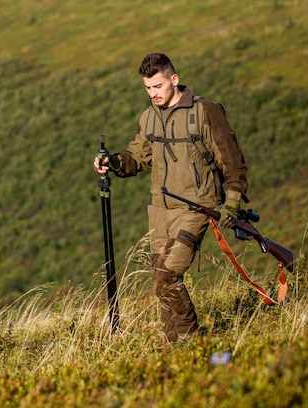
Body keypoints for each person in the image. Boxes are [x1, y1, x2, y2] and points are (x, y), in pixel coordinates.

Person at [94, 53, 248, 343]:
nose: (153, 94)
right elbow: (136, 158)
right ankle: (173, 346)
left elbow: (232, 160)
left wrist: (232, 202)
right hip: (160, 212)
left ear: (174, 80)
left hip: (196, 208)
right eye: (148, 88)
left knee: (167, 276)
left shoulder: (204, 112)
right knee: (161, 284)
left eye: (159, 86)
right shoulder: (149, 117)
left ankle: (191, 341)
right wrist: (112, 162)